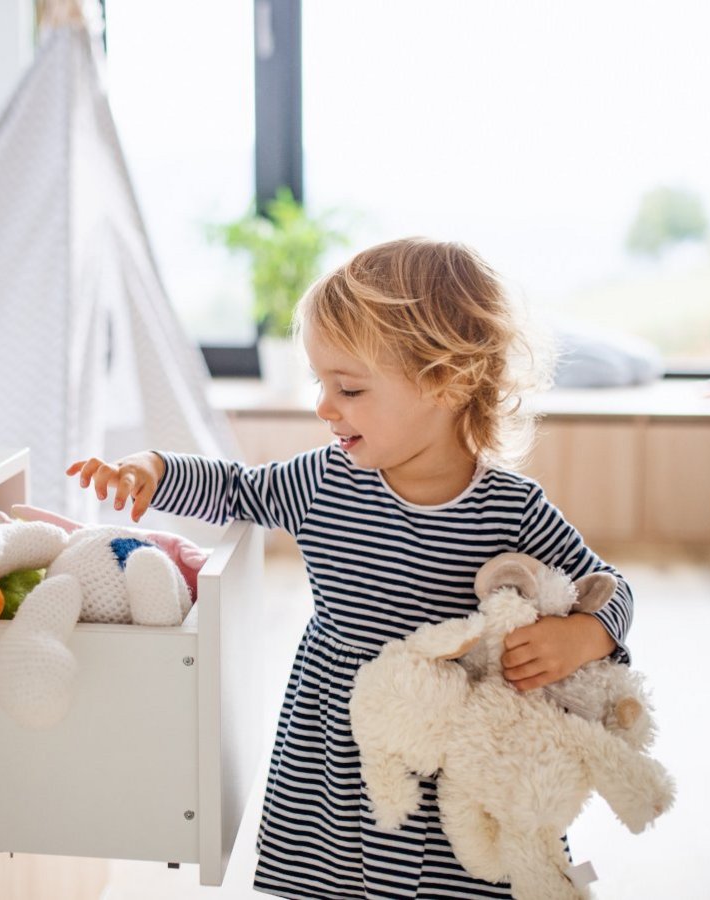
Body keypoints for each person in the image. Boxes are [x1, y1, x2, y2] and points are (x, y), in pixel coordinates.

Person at [67, 237, 633, 899]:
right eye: (319, 382)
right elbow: (238, 489)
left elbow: (608, 587)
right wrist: (155, 472)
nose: (324, 406)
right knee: (331, 878)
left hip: (456, 747)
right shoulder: (322, 480)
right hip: (335, 735)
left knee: (465, 878)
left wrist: (587, 634)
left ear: (447, 382)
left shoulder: (510, 507)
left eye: (350, 388)